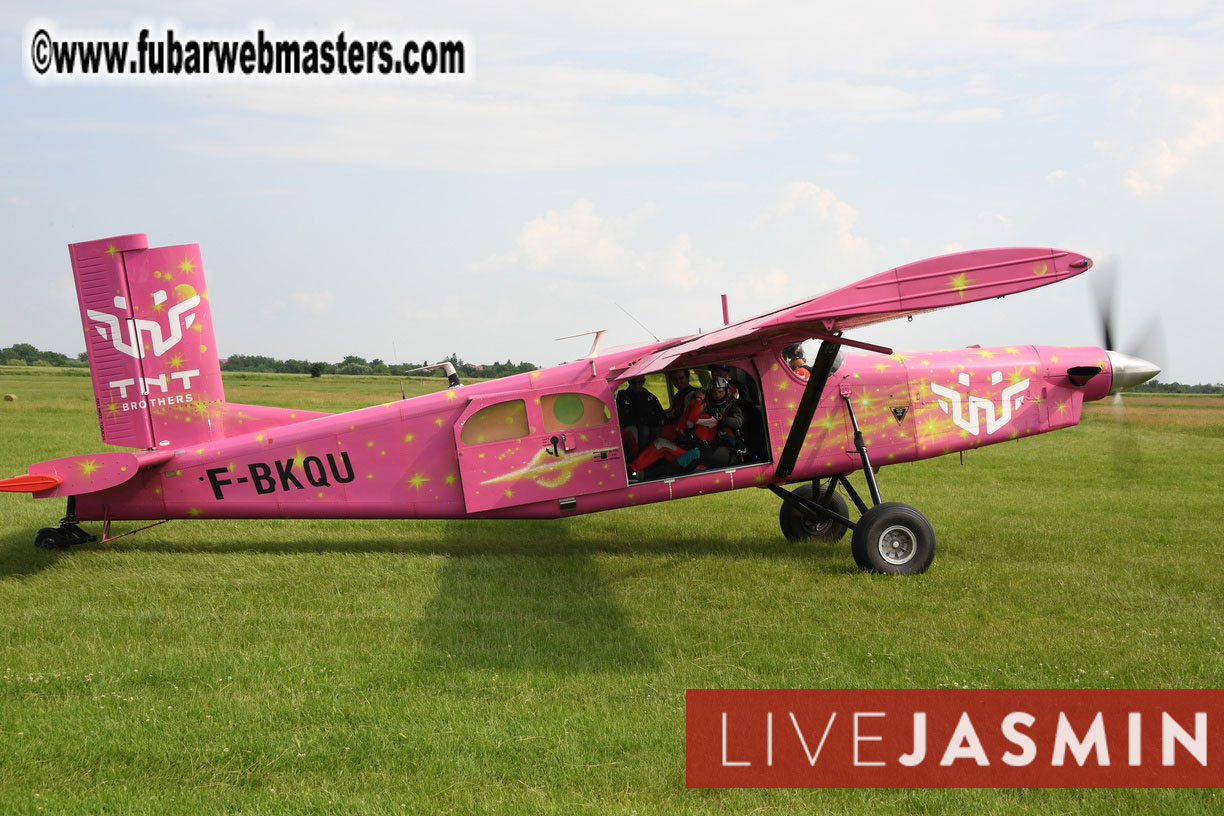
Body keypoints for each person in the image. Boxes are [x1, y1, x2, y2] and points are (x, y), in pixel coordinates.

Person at [616, 375, 664, 459]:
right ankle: (642, 458)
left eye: (640, 382)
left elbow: (661, 415)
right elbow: (620, 418)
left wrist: (652, 421)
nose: (636, 385)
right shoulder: (622, 397)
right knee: (644, 430)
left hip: (650, 425)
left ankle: (655, 458)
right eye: (633, 382)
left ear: (644, 381)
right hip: (631, 425)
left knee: (656, 429)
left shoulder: (650, 397)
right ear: (628, 381)